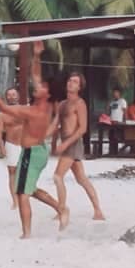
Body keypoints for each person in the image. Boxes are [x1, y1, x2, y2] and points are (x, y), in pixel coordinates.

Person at [0, 42, 64, 237]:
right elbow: (35, 75)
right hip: (32, 151)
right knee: (27, 189)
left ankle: (27, 233)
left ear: (47, 94)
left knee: (23, 194)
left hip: (32, 153)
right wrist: (36, 56)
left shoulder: (35, 110)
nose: (38, 86)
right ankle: (60, 208)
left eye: (42, 87)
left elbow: (3, 106)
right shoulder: (42, 104)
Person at [53, 72, 106, 222]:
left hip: (73, 143)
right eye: (70, 80)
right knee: (81, 179)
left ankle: (62, 209)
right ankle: (97, 210)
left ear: (79, 87)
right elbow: (57, 125)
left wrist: (65, 144)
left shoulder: (80, 104)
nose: (71, 83)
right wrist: (53, 141)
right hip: (65, 142)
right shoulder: (62, 104)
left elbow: (82, 129)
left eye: (75, 82)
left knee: (57, 177)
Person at [0, 87, 24, 209]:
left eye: (14, 94)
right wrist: (1, 146)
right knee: (12, 173)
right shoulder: (2, 114)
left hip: (25, 144)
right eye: (9, 95)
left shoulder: (25, 110)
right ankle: (15, 200)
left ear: (18, 96)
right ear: (6, 97)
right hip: (11, 145)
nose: (12, 97)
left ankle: (23, 197)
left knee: (24, 172)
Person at [107, 87, 128, 155]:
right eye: (114, 93)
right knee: (111, 136)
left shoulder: (122, 101)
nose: (115, 94)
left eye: (116, 93)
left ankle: (117, 151)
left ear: (119, 94)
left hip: (119, 121)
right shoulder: (112, 102)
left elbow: (124, 112)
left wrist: (124, 120)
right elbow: (109, 111)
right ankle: (111, 151)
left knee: (117, 136)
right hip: (112, 121)